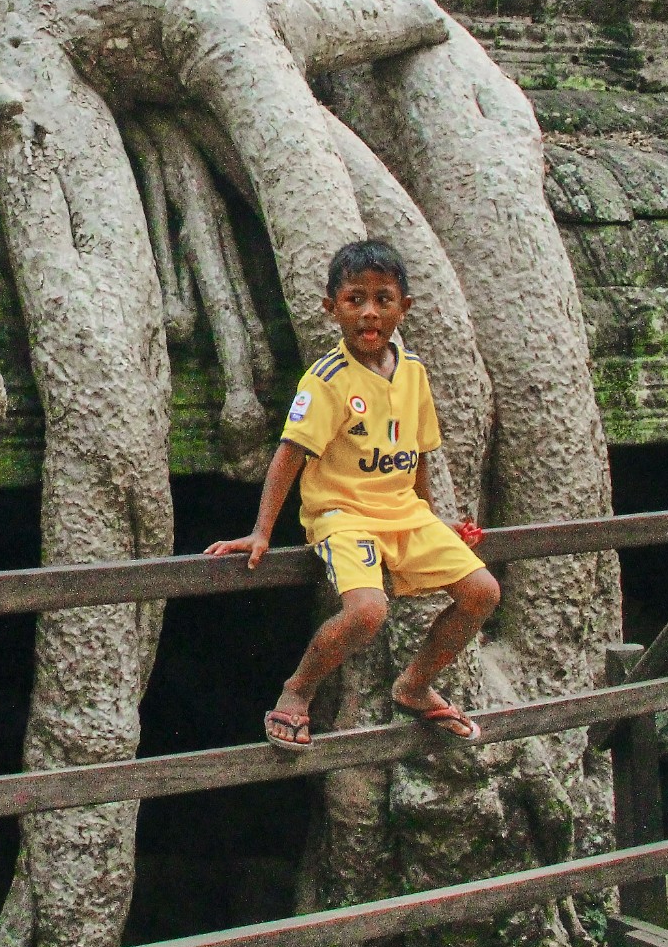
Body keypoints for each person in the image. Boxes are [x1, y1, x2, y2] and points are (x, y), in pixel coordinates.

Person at [206, 239, 499, 750]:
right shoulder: (326, 381)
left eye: (383, 299)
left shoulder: (415, 374)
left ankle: (414, 685)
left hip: (406, 514)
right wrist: (261, 531)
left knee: (483, 593)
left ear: (403, 308)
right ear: (331, 308)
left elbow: (420, 453)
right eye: (354, 299)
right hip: (343, 516)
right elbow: (288, 456)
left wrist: (435, 517)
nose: (369, 312)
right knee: (368, 612)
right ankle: (297, 691)